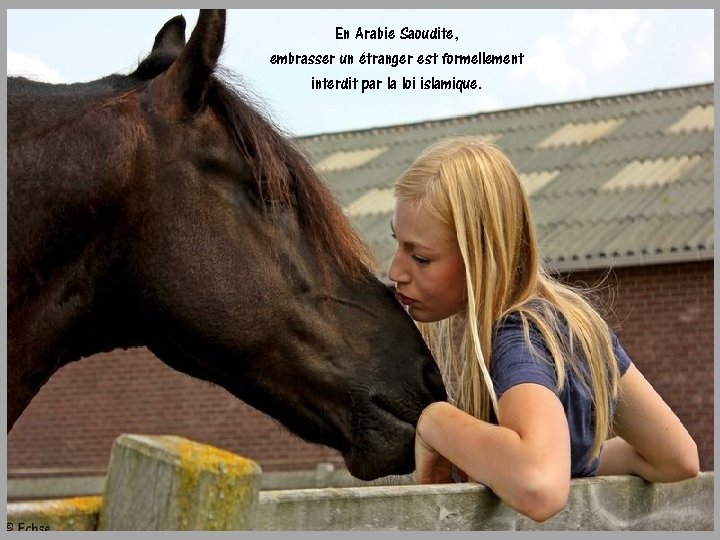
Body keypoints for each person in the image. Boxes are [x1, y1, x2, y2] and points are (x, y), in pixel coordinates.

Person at [388, 137, 699, 522]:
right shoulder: (570, 326)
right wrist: (573, 460)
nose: (395, 271)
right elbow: (676, 458)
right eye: (397, 243)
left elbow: (538, 484)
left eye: (420, 257)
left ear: (483, 253)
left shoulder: (518, 338)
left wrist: (434, 421)